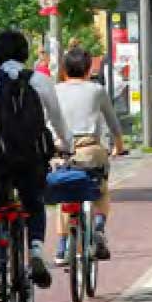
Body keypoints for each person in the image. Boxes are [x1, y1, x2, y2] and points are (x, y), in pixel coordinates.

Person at [0, 30, 70, 299]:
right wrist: (66, 145)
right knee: (33, 203)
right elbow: (57, 119)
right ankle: (34, 250)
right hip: (32, 159)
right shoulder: (40, 80)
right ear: (25, 54)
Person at [54, 48, 125, 265]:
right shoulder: (96, 90)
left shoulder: (54, 90)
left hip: (61, 150)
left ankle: (62, 246)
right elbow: (113, 122)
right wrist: (119, 146)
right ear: (88, 69)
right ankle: (99, 227)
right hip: (90, 149)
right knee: (101, 189)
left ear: (64, 70)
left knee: (64, 192)